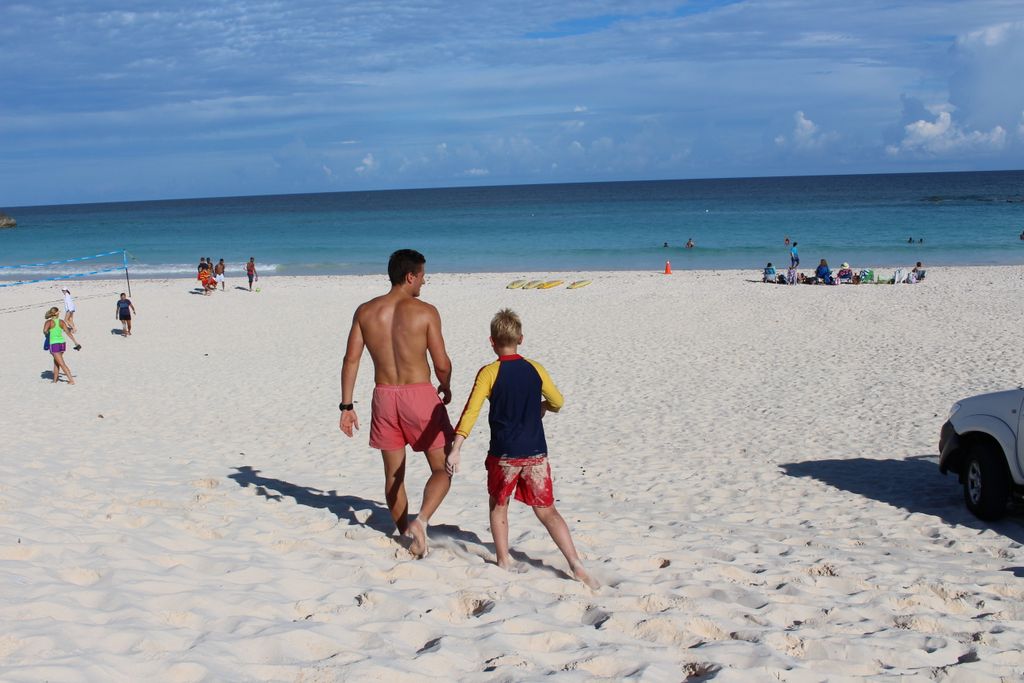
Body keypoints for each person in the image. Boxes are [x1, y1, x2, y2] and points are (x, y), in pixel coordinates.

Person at [446, 309, 599, 589]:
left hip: (504, 454)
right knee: (547, 511)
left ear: (492, 341)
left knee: (499, 505)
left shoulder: (489, 372)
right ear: (520, 339)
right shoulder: (535, 368)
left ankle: (504, 559)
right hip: (535, 452)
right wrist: (543, 406)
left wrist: (457, 447)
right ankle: (576, 564)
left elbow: (471, 411)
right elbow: (558, 401)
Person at [339, 249, 454, 558]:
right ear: (410, 276)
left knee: (393, 475)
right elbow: (441, 363)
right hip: (419, 395)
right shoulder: (425, 312)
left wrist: (347, 406)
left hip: (384, 396)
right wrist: (445, 385)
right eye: (423, 276)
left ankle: (406, 534)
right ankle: (422, 521)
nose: (424, 282)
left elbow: (351, 360)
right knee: (442, 468)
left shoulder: (365, 311)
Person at [43, 306, 80, 384]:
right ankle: (55, 380)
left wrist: (48, 333)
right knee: (56, 362)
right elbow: (68, 333)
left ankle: (71, 380)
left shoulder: (49, 322)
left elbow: (45, 331)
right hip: (62, 344)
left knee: (62, 364)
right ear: (56, 313)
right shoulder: (61, 322)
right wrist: (75, 342)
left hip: (54, 344)